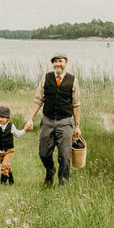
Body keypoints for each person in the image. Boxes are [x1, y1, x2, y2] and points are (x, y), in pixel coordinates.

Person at [24, 53, 81, 186]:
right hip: (48, 121)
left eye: (60, 61)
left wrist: (77, 125)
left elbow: (76, 104)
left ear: (65, 63)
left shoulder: (73, 80)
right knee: (43, 153)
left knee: (65, 157)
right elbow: (38, 100)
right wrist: (30, 119)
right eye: (55, 62)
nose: (57, 64)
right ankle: (50, 171)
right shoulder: (46, 77)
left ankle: (63, 185)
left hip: (65, 122)